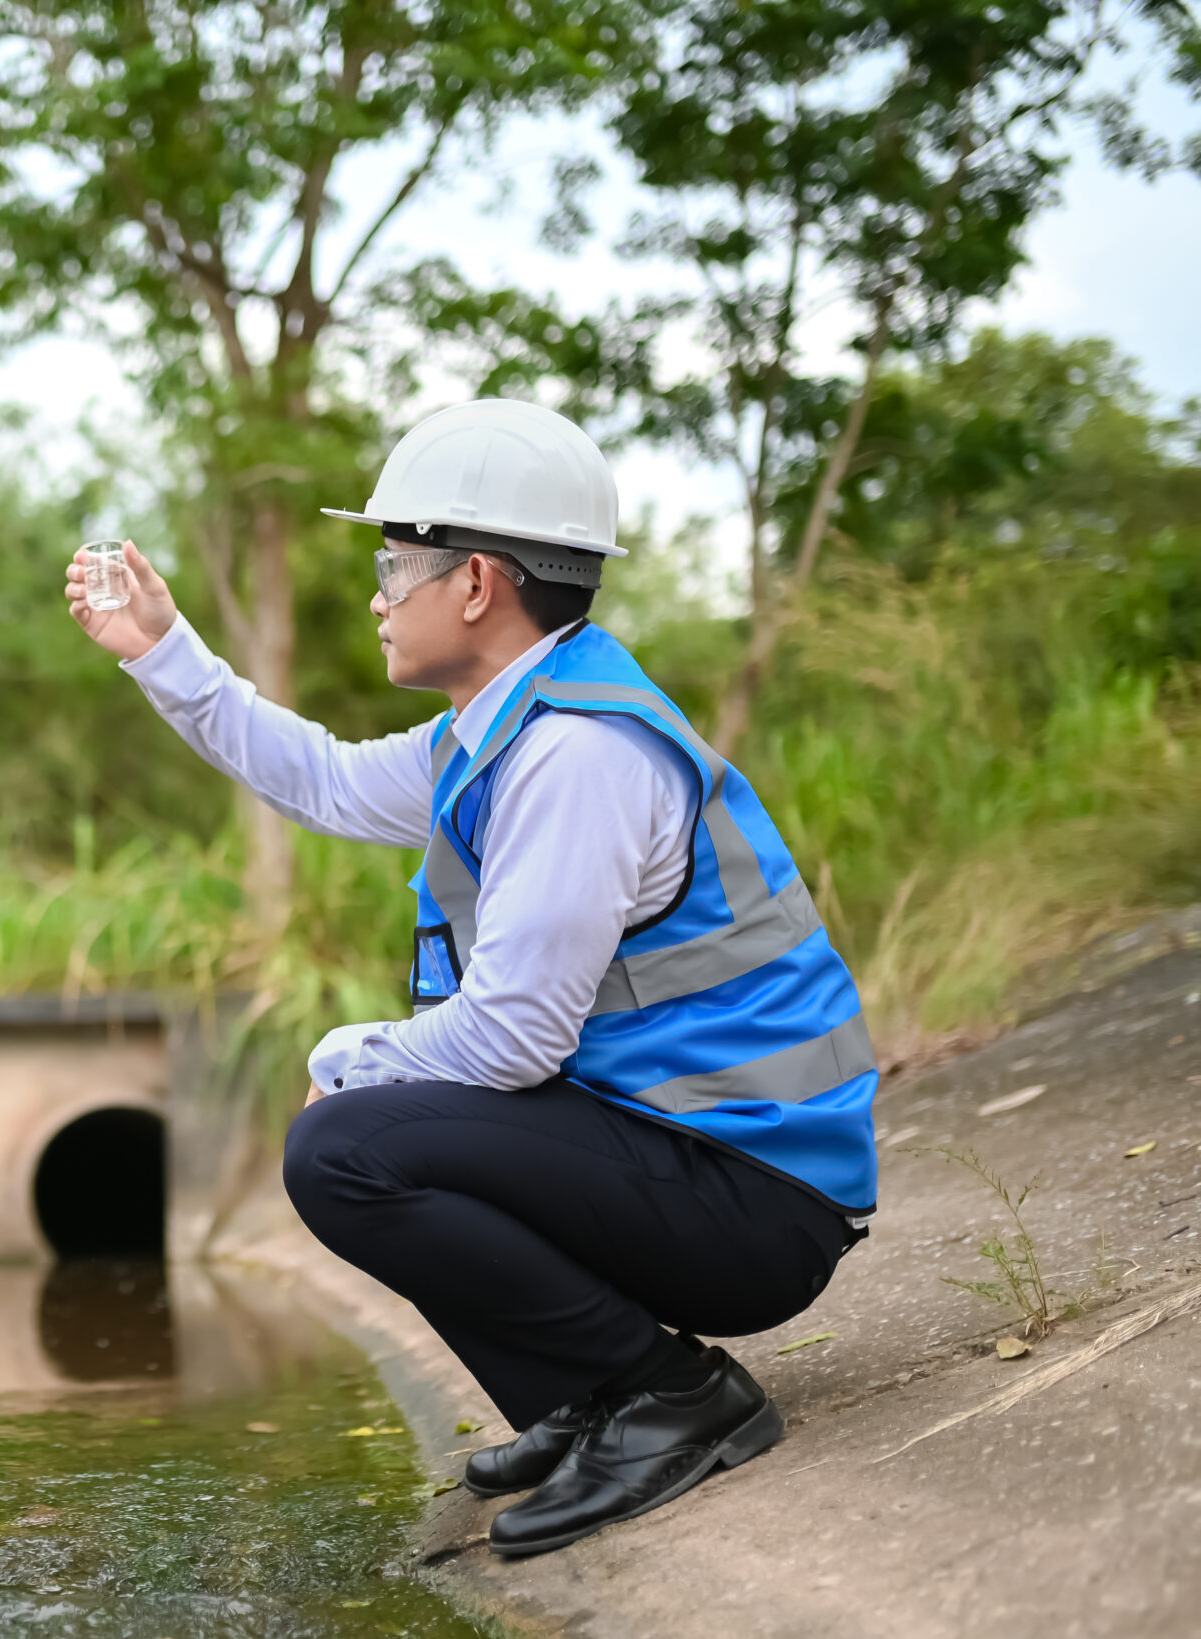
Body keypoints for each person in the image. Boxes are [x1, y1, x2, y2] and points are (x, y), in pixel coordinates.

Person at [63, 399, 876, 1557]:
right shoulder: (500, 728)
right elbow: (329, 783)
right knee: (372, 1121)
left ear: (478, 583)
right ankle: (589, 1402)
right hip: (693, 1152)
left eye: (395, 563)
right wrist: (163, 650)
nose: (379, 593)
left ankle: (670, 1393)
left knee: (345, 1144)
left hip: (752, 1199)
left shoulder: (575, 753)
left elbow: (509, 1044)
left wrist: (338, 1059)